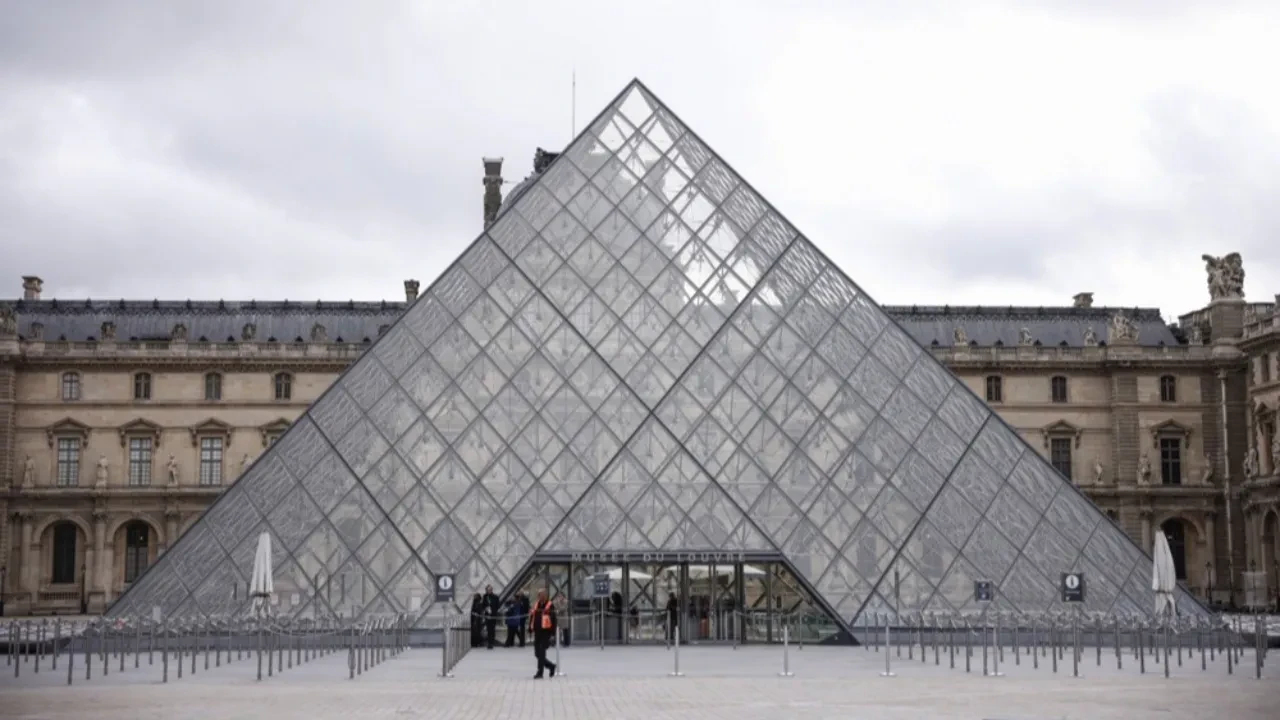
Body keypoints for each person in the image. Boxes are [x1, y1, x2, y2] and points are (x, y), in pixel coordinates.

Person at [530, 590, 558, 679]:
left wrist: (553, 634)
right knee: (537, 654)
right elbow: (532, 616)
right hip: (537, 632)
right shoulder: (536, 604)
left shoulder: (550, 605)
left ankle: (540, 672)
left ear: (546, 596)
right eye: (540, 595)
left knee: (542, 653)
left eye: (543, 595)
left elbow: (553, 620)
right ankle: (551, 666)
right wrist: (530, 628)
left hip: (546, 632)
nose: (542, 597)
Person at [482, 584, 501, 649]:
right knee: (488, 629)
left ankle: (491, 642)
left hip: (493, 615)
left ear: (492, 590)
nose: (489, 591)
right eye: (488, 590)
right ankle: (489, 643)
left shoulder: (495, 597)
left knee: (492, 629)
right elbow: (483, 605)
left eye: (490, 590)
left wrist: (493, 609)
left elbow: (498, 605)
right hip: (487, 615)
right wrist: (486, 608)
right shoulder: (485, 596)